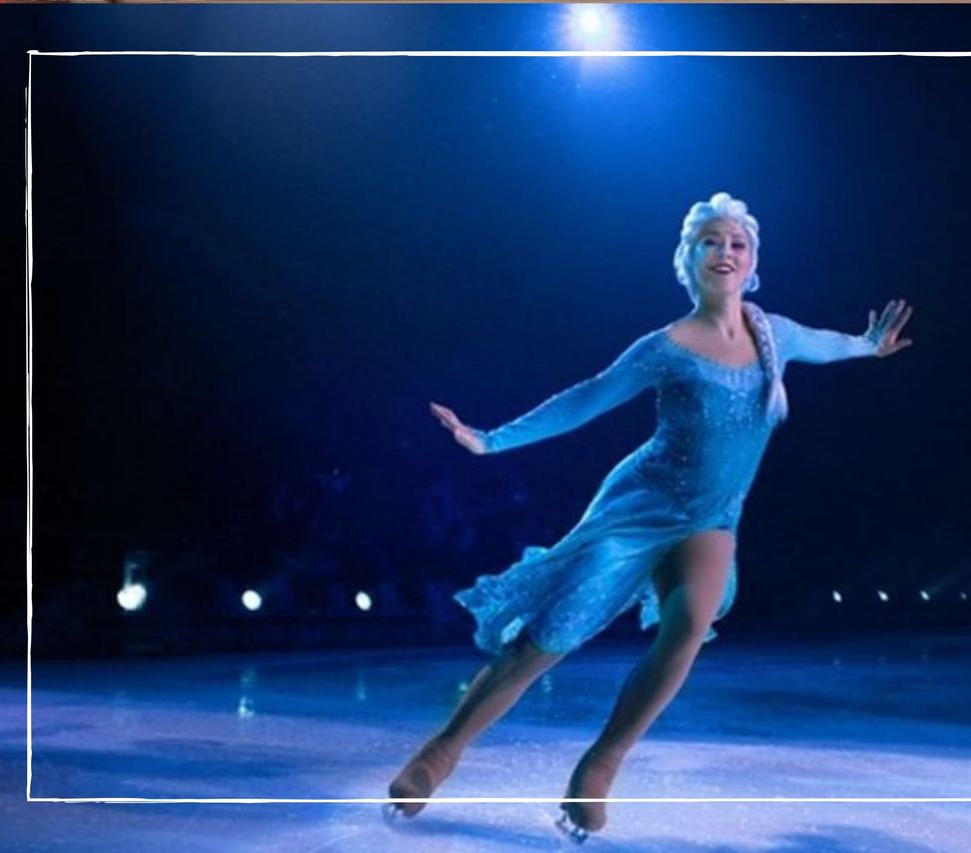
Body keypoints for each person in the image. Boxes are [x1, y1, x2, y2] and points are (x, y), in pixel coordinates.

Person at [386, 192, 914, 841]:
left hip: (713, 517)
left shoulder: (774, 334)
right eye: (710, 242)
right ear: (688, 259)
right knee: (548, 638)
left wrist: (867, 344)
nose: (725, 252)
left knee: (690, 619)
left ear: (753, 261)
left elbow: (830, 344)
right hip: (640, 507)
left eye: (737, 244)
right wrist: (490, 439)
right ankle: (440, 752)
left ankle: (598, 768)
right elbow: (586, 398)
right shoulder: (665, 346)